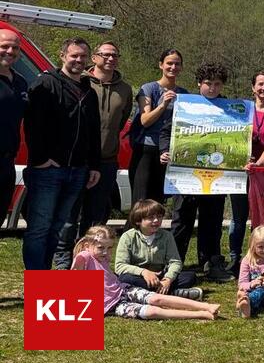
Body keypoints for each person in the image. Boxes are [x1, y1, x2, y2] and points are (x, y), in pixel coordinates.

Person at [22, 37, 101, 271]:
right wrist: (41, 159)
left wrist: (93, 164)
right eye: (74, 55)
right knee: (39, 227)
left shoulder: (89, 92)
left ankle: (46, 277)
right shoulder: (45, 84)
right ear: (63, 56)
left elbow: (94, 131)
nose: (78, 60)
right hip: (48, 170)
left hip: (77, 170)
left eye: (83, 56)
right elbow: (32, 125)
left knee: (58, 227)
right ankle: (36, 277)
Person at [54, 41, 133, 270]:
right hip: (77, 160)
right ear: (95, 58)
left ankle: (90, 265)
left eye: (115, 55)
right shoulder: (82, 82)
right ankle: (63, 263)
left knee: (95, 218)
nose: (110, 59)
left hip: (107, 161)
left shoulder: (125, 89)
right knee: (69, 216)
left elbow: (120, 122)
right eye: (105, 54)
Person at [160, 63, 233, 282]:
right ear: (199, 84)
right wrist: (164, 151)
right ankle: (174, 264)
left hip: (216, 177)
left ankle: (211, 262)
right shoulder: (184, 105)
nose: (212, 88)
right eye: (208, 84)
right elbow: (166, 132)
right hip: (185, 176)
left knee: (212, 221)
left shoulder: (230, 109)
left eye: (217, 84)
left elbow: (238, 141)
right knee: (182, 220)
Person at [73, 225, 219, 321]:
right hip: (111, 305)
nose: (106, 252)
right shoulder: (85, 256)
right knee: (151, 312)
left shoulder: (101, 257)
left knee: (158, 299)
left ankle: (206, 306)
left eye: (109, 248)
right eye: (100, 247)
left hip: (123, 290)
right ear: (87, 246)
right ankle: (201, 314)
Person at [232, 71, 264, 273]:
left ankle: (262, 259)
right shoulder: (240, 111)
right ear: (253, 88)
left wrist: (260, 164)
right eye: (260, 84)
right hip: (241, 171)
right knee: (238, 217)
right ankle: (235, 258)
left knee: (261, 218)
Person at [131, 49, 188, 204]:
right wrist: (163, 105)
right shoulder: (148, 88)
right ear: (161, 65)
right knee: (141, 201)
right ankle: (134, 229)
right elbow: (145, 121)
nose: (173, 67)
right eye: (169, 63)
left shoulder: (183, 93)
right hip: (146, 149)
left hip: (168, 153)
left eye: (177, 64)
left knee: (157, 202)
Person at [114, 199, 202, 298]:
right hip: (139, 276)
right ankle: (170, 293)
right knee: (124, 278)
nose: (156, 220)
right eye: (151, 218)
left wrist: (168, 279)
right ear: (138, 221)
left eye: (159, 217)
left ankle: (149, 292)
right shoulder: (128, 237)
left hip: (161, 276)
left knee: (190, 277)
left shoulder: (167, 236)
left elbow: (175, 262)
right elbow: (120, 266)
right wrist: (144, 272)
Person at [0, 28, 27, 238]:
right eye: (4, 46)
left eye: (15, 48)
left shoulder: (20, 82)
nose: (10, 51)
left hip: (7, 162)